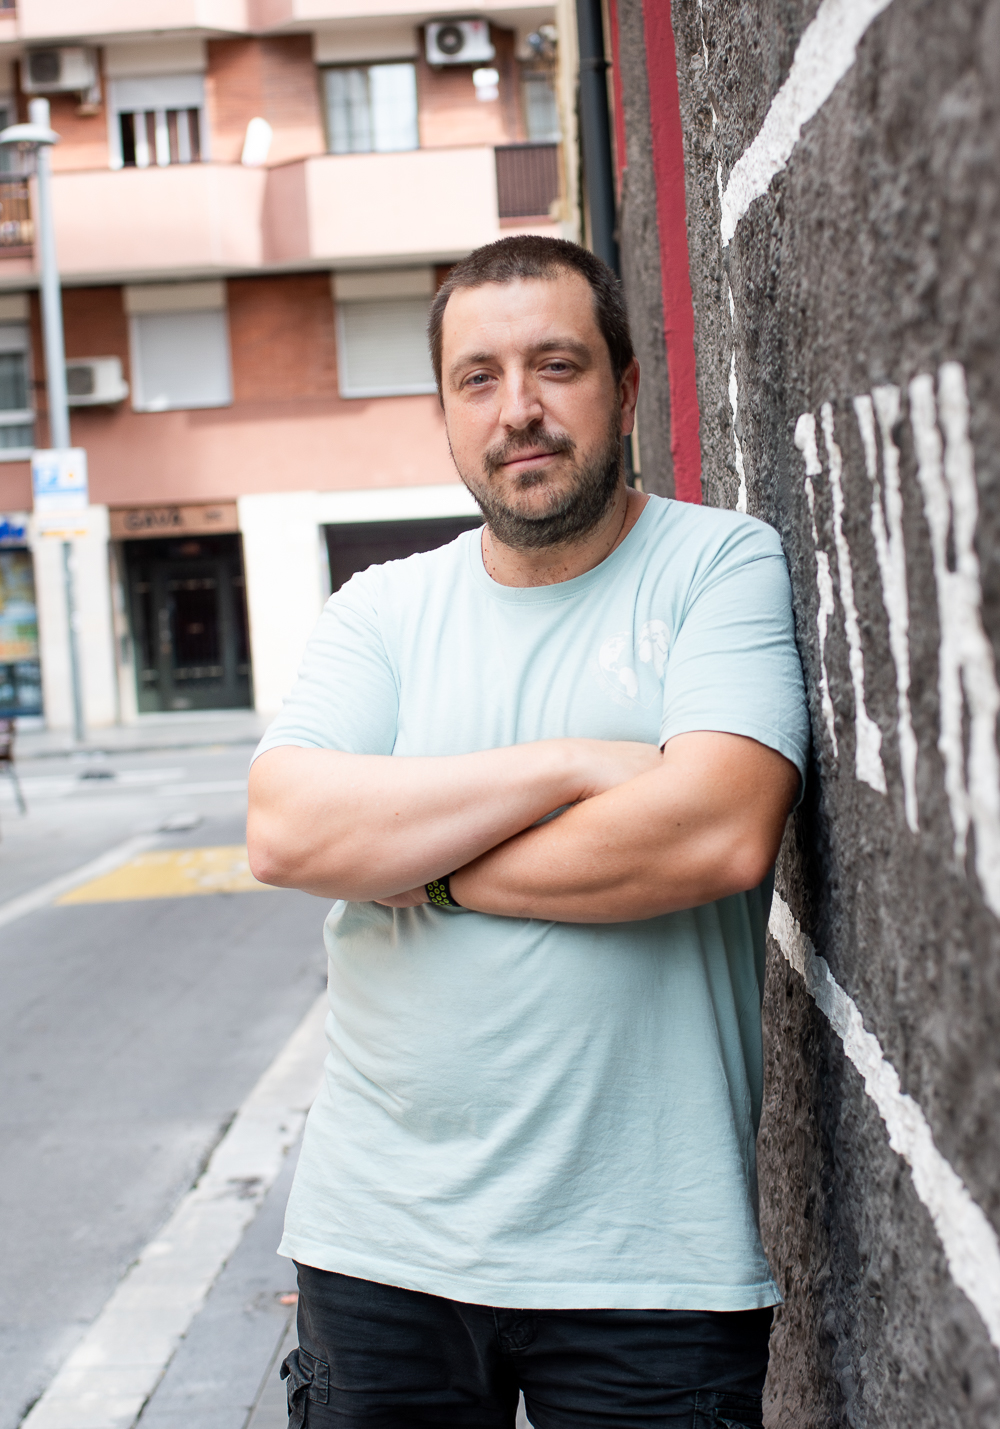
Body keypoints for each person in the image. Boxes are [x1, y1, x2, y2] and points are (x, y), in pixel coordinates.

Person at [247, 235, 809, 1429]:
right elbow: (289, 831)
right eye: (479, 378)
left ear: (624, 386)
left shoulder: (717, 565)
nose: (519, 411)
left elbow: (712, 834)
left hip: (650, 1260)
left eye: (556, 365)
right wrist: (570, 764)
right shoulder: (382, 611)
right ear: (446, 414)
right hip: (379, 1250)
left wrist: (429, 868)